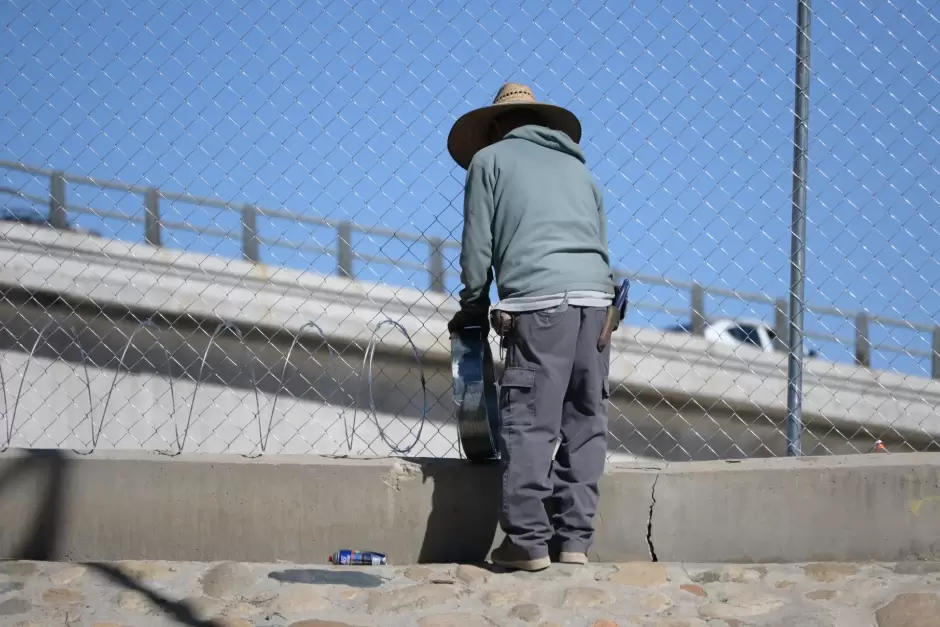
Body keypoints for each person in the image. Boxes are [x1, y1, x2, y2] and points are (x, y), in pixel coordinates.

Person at [446, 83, 616, 571]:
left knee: (532, 422)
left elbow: (477, 247)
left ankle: (526, 542)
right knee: (585, 424)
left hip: (539, 307)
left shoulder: (490, 162)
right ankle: (575, 543)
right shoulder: (581, 172)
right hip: (598, 308)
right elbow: (602, 246)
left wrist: (473, 310)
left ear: (495, 126)